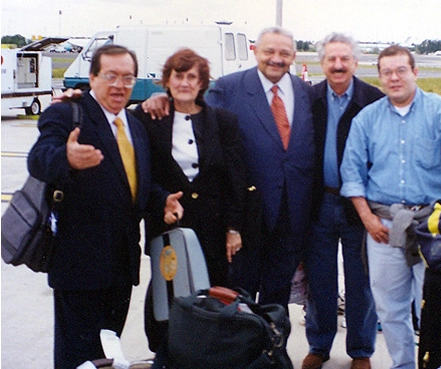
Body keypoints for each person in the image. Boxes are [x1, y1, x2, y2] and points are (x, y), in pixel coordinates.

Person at [27, 44, 183, 369]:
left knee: (107, 352)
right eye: (110, 76)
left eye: (128, 78)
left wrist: (160, 200)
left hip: (121, 266)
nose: (119, 85)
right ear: (93, 77)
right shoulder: (69, 113)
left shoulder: (135, 125)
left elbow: (134, 185)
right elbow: (38, 160)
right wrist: (66, 158)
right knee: (77, 358)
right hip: (79, 265)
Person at [143, 26, 315, 309]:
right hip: (248, 213)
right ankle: (242, 349)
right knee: (237, 292)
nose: (276, 58)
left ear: (293, 56)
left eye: (284, 53)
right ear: (255, 51)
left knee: (278, 293)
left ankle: (274, 349)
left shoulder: (305, 91)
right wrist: (163, 99)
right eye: (269, 51)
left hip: (291, 209)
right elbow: (196, 116)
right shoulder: (229, 87)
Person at [340, 45, 441, 369]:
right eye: (387, 72)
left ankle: (438, 364)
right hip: (384, 227)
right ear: (380, 77)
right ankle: (403, 364)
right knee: (390, 309)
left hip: (432, 227)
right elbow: (352, 174)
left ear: (415, 72)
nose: (394, 78)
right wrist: (367, 218)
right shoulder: (367, 120)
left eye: (401, 70)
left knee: (436, 305)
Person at [303, 32, 384, 369]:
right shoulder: (308, 98)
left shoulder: (374, 100)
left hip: (360, 207)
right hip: (318, 203)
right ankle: (319, 346)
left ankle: (361, 350)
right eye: (331, 59)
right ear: (322, 63)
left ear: (355, 62)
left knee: (361, 282)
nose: (337, 65)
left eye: (344, 59)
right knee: (319, 281)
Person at [134, 48, 246, 287]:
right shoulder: (148, 118)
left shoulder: (224, 121)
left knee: (213, 300)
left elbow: (235, 179)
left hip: (213, 229)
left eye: (191, 77)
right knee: (169, 300)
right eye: (178, 76)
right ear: (167, 80)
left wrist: (233, 228)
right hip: (168, 224)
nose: (184, 83)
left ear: (202, 83)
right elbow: (143, 173)